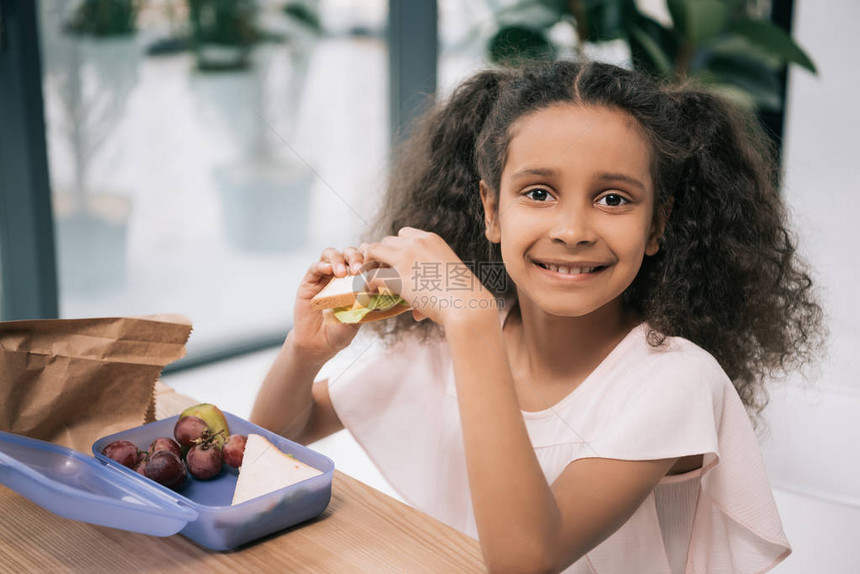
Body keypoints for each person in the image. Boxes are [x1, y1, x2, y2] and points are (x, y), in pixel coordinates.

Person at [251, 59, 825, 573]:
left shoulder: (676, 381)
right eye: (540, 193)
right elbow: (278, 437)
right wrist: (307, 352)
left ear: (658, 225)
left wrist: (470, 316)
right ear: (491, 211)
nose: (572, 231)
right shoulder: (455, 336)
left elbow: (526, 559)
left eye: (614, 199)